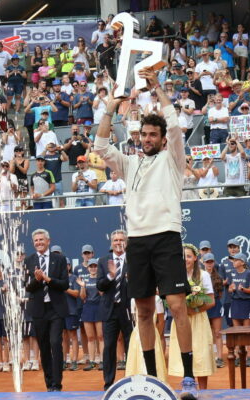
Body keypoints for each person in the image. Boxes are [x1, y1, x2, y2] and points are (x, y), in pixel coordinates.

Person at [94, 68, 198, 398]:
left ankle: (188, 377)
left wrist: (158, 88)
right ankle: (154, 378)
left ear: (162, 139)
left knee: (177, 305)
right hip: (137, 241)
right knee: (143, 310)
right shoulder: (129, 163)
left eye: (154, 135)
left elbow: (177, 127)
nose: (148, 139)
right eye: (145, 135)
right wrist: (110, 107)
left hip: (166, 236)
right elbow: (100, 144)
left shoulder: (173, 160)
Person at [24, 229, 69, 392]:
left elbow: (65, 284)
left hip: (56, 309)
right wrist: (37, 280)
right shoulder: (29, 260)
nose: (39, 243)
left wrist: (48, 280)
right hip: (39, 310)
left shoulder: (60, 259)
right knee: (43, 346)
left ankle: (57, 383)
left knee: (56, 343)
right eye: (36, 240)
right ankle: (49, 383)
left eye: (41, 239)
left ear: (48, 241)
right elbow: (28, 286)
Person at [168, 244, 216, 389]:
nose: (186, 259)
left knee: (200, 355)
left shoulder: (203, 275)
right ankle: (187, 388)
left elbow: (211, 301)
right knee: (183, 354)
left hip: (198, 321)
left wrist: (194, 309)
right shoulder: (174, 275)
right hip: (180, 321)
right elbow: (168, 300)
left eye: (188, 256)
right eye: (183, 257)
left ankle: (202, 391)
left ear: (195, 258)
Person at [95, 230, 132, 389]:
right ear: (111, 243)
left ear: (126, 242)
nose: (118, 242)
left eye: (121, 240)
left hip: (128, 310)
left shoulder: (133, 260)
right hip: (109, 309)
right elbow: (99, 285)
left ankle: (132, 379)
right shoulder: (103, 261)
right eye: (115, 240)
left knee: (131, 344)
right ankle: (108, 383)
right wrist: (111, 275)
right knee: (109, 346)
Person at [78, 258, 103, 371]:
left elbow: (102, 294)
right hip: (87, 308)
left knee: (101, 337)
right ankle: (92, 362)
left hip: (99, 308)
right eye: (91, 266)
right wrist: (83, 286)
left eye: (95, 266)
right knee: (90, 338)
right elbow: (82, 297)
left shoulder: (100, 279)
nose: (93, 268)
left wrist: (99, 284)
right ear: (88, 268)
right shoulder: (85, 280)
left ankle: (102, 360)